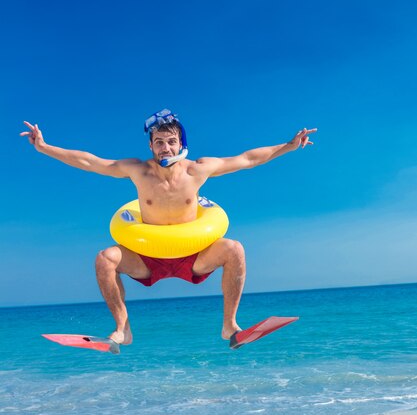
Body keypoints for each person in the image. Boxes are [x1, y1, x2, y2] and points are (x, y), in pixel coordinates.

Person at [20, 111, 316, 347]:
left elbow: (248, 159)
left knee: (234, 249)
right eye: (159, 142)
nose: (165, 147)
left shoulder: (198, 169)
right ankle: (122, 329)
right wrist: (44, 147)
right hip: (147, 257)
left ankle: (230, 326)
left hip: (193, 255)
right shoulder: (139, 170)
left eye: (170, 141)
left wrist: (289, 146)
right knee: (104, 258)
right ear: (151, 145)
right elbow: (89, 161)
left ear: (180, 143)